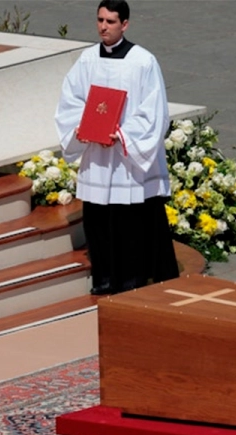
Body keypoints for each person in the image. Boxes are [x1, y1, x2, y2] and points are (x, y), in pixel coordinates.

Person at [55, 0, 179, 295]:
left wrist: (122, 134)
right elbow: (70, 102)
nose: (103, 27)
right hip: (97, 156)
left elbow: (154, 110)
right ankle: (104, 277)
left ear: (125, 24)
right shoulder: (87, 60)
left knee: (128, 223)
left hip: (126, 160)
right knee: (98, 220)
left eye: (110, 22)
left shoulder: (143, 61)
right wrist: (82, 129)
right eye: (100, 20)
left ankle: (130, 279)